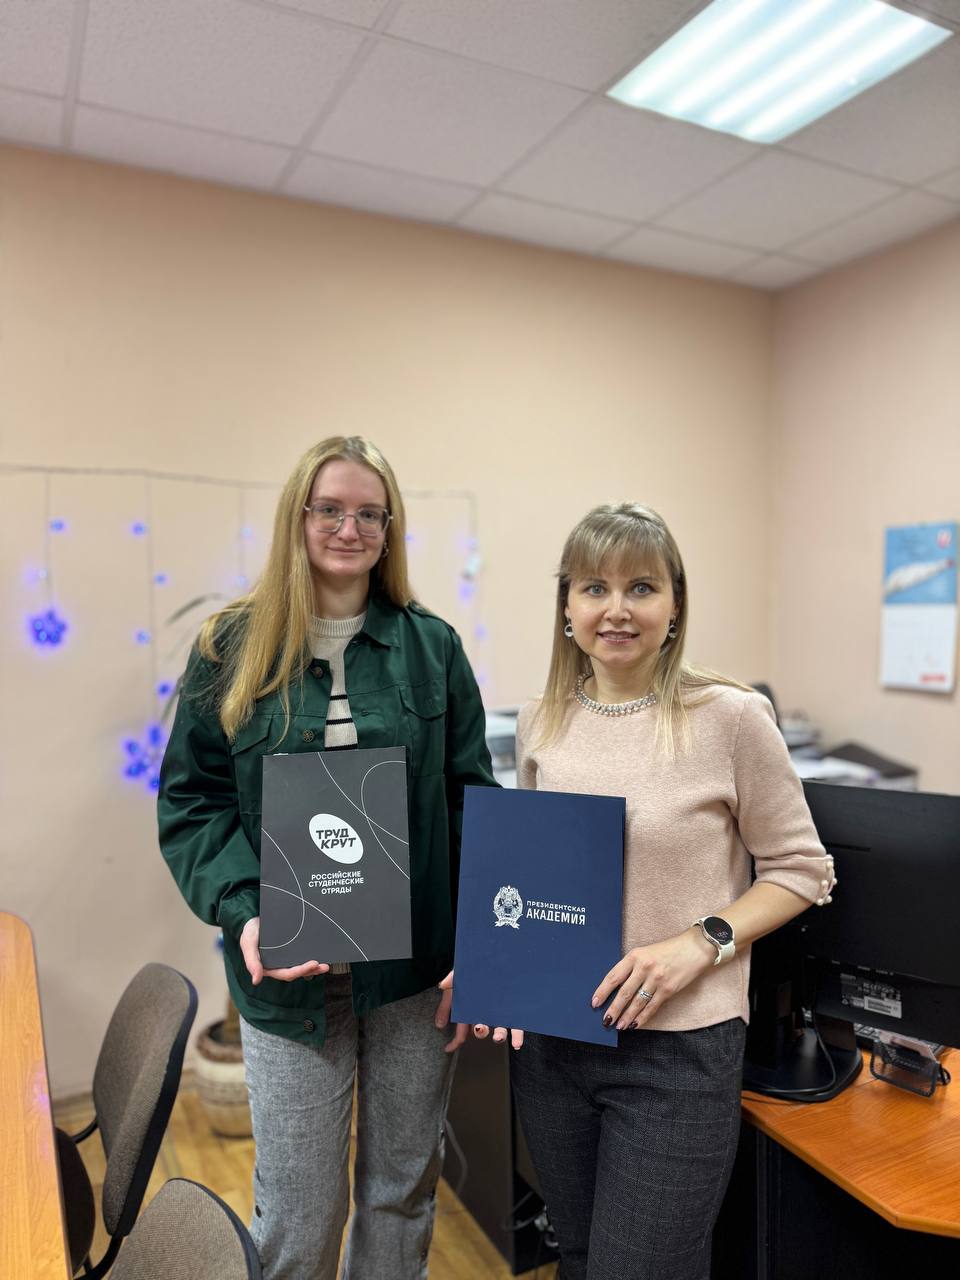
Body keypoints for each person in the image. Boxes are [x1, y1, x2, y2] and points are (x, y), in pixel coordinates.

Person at [157, 436, 493, 1280]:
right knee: (300, 1211)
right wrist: (246, 912)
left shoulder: (433, 647)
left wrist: (484, 947)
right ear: (297, 518)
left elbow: (471, 804)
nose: (351, 529)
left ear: (390, 527)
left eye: (370, 513)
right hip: (290, 979)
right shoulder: (229, 647)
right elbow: (193, 804)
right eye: (331, 510)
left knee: (401, 1191)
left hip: (411, 975)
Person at [478, 502, 836, 1280]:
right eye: (594, 588)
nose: (616, 609)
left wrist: (700, 942)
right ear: (567, 606)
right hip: (555, 1045)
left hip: (677, 1052)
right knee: (578, 1257)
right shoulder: (541, 721)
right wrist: (493, 969)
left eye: (640, 587)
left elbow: (802, 871)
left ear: (675, 605)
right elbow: (531, 880)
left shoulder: (731, 718)